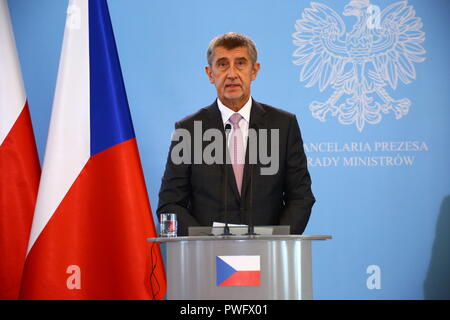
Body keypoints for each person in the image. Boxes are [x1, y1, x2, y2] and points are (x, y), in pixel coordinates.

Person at [157, 32, 315, 236]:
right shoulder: (188, 130)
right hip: (206, 259)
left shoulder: (284, 125)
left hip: (268, 258)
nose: (231, 73)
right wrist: (209, 241)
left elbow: (301, 197)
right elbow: (170, 204)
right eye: (222, 64)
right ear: (210, 73)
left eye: (240, 63)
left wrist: (275, 241)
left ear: (254, 71)